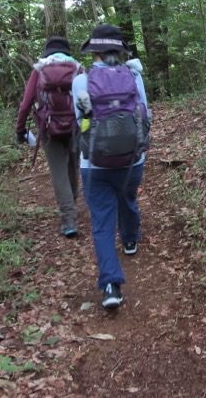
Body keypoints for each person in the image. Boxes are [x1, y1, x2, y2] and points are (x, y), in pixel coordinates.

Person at [73, 24, 149, 309]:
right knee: (127, 197)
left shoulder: (80, 81)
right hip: (132, 158)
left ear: (93, 52)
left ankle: (110, 285)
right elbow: (144, 113)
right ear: (119, 50)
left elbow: (77, 121)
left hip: (93, 163)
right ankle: (130, 239)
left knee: (102, 222)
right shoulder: (134, 75)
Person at [16, 36, 83, 238]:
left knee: (58, 172)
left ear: (47, 51)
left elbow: (26, 103)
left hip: (49, 128)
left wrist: (20, 129)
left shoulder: (39, 70)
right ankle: (72, 203)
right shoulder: (78, 69)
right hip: (75, 126)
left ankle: (69, 219)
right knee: (73, 165)